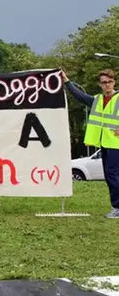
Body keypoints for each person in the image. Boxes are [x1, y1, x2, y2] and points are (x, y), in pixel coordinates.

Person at [63, 68, 119, 218]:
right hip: (105, 144)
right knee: (109, 176)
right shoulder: (97, 100)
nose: (107, 85)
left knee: (113, 175)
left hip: (116, 145)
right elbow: (80, 96)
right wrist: (67, 82)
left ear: (114, 82)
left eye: (110, 82)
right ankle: (116, 207)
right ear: (99, 84)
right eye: (104, 82)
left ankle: (117, 207)